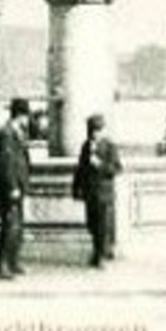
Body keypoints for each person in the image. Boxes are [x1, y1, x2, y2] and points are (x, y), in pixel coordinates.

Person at [0, 97, 33, 279]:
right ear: (21, 115)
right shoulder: (7, 133)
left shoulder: (15, 131)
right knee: (9, 225)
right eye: (26, 116)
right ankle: (1, 266)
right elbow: (5, 164)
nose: (28, 120)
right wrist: (12, 186)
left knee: (16, 226)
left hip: (17, 186)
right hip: (9, 188)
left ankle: (13, 261)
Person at [71, 113, 124, 267]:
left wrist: (100, 165)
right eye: (91, 130)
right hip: (90, 192)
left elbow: (117, 168)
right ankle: (100, 251)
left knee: (102, 225)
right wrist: (76, 188)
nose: (94, 134)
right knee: (92, 224)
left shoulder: (110, 146)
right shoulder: (86, 146)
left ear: (102, 130)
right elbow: (80, 169)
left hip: (103, 193)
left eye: (97, 130)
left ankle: (99, 255)